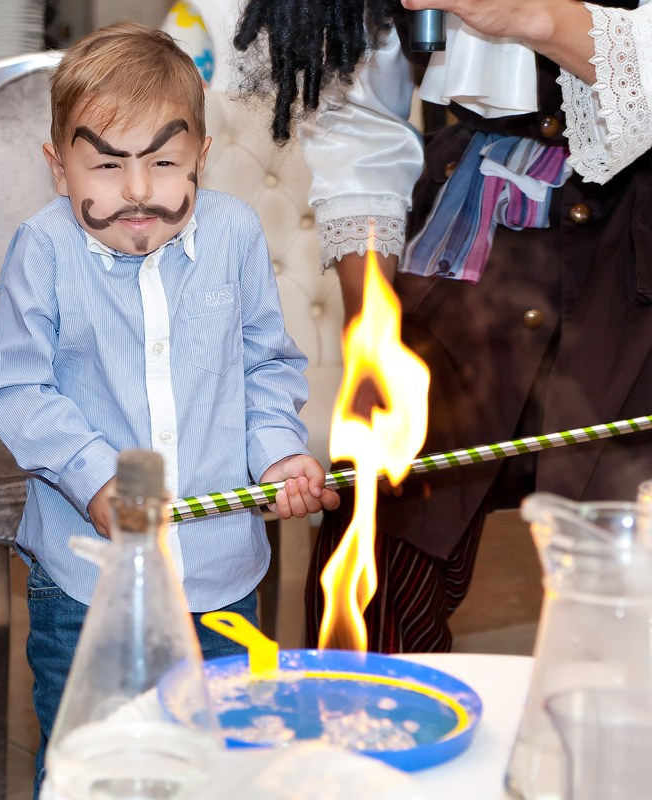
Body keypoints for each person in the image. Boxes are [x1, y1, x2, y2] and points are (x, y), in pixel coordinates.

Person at [0, 21, 339, 792]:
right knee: (92, 760)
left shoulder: (236, 234)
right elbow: (14, 390)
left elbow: (265, 367)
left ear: (201, 157)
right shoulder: (43, 250)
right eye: (104, 166)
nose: (137, 191)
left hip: (220, 574)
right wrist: (96, 479)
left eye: (164, 163)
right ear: (58, 165)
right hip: (90, 582)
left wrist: (278, 452)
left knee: (211, 759)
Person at [235, 0, 652, 653]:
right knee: (377, 552)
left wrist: (533, 16)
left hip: (637, 251)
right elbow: (361, 125)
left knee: (622, 582)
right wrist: (371, 327)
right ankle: (373, 731)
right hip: (476, 223)